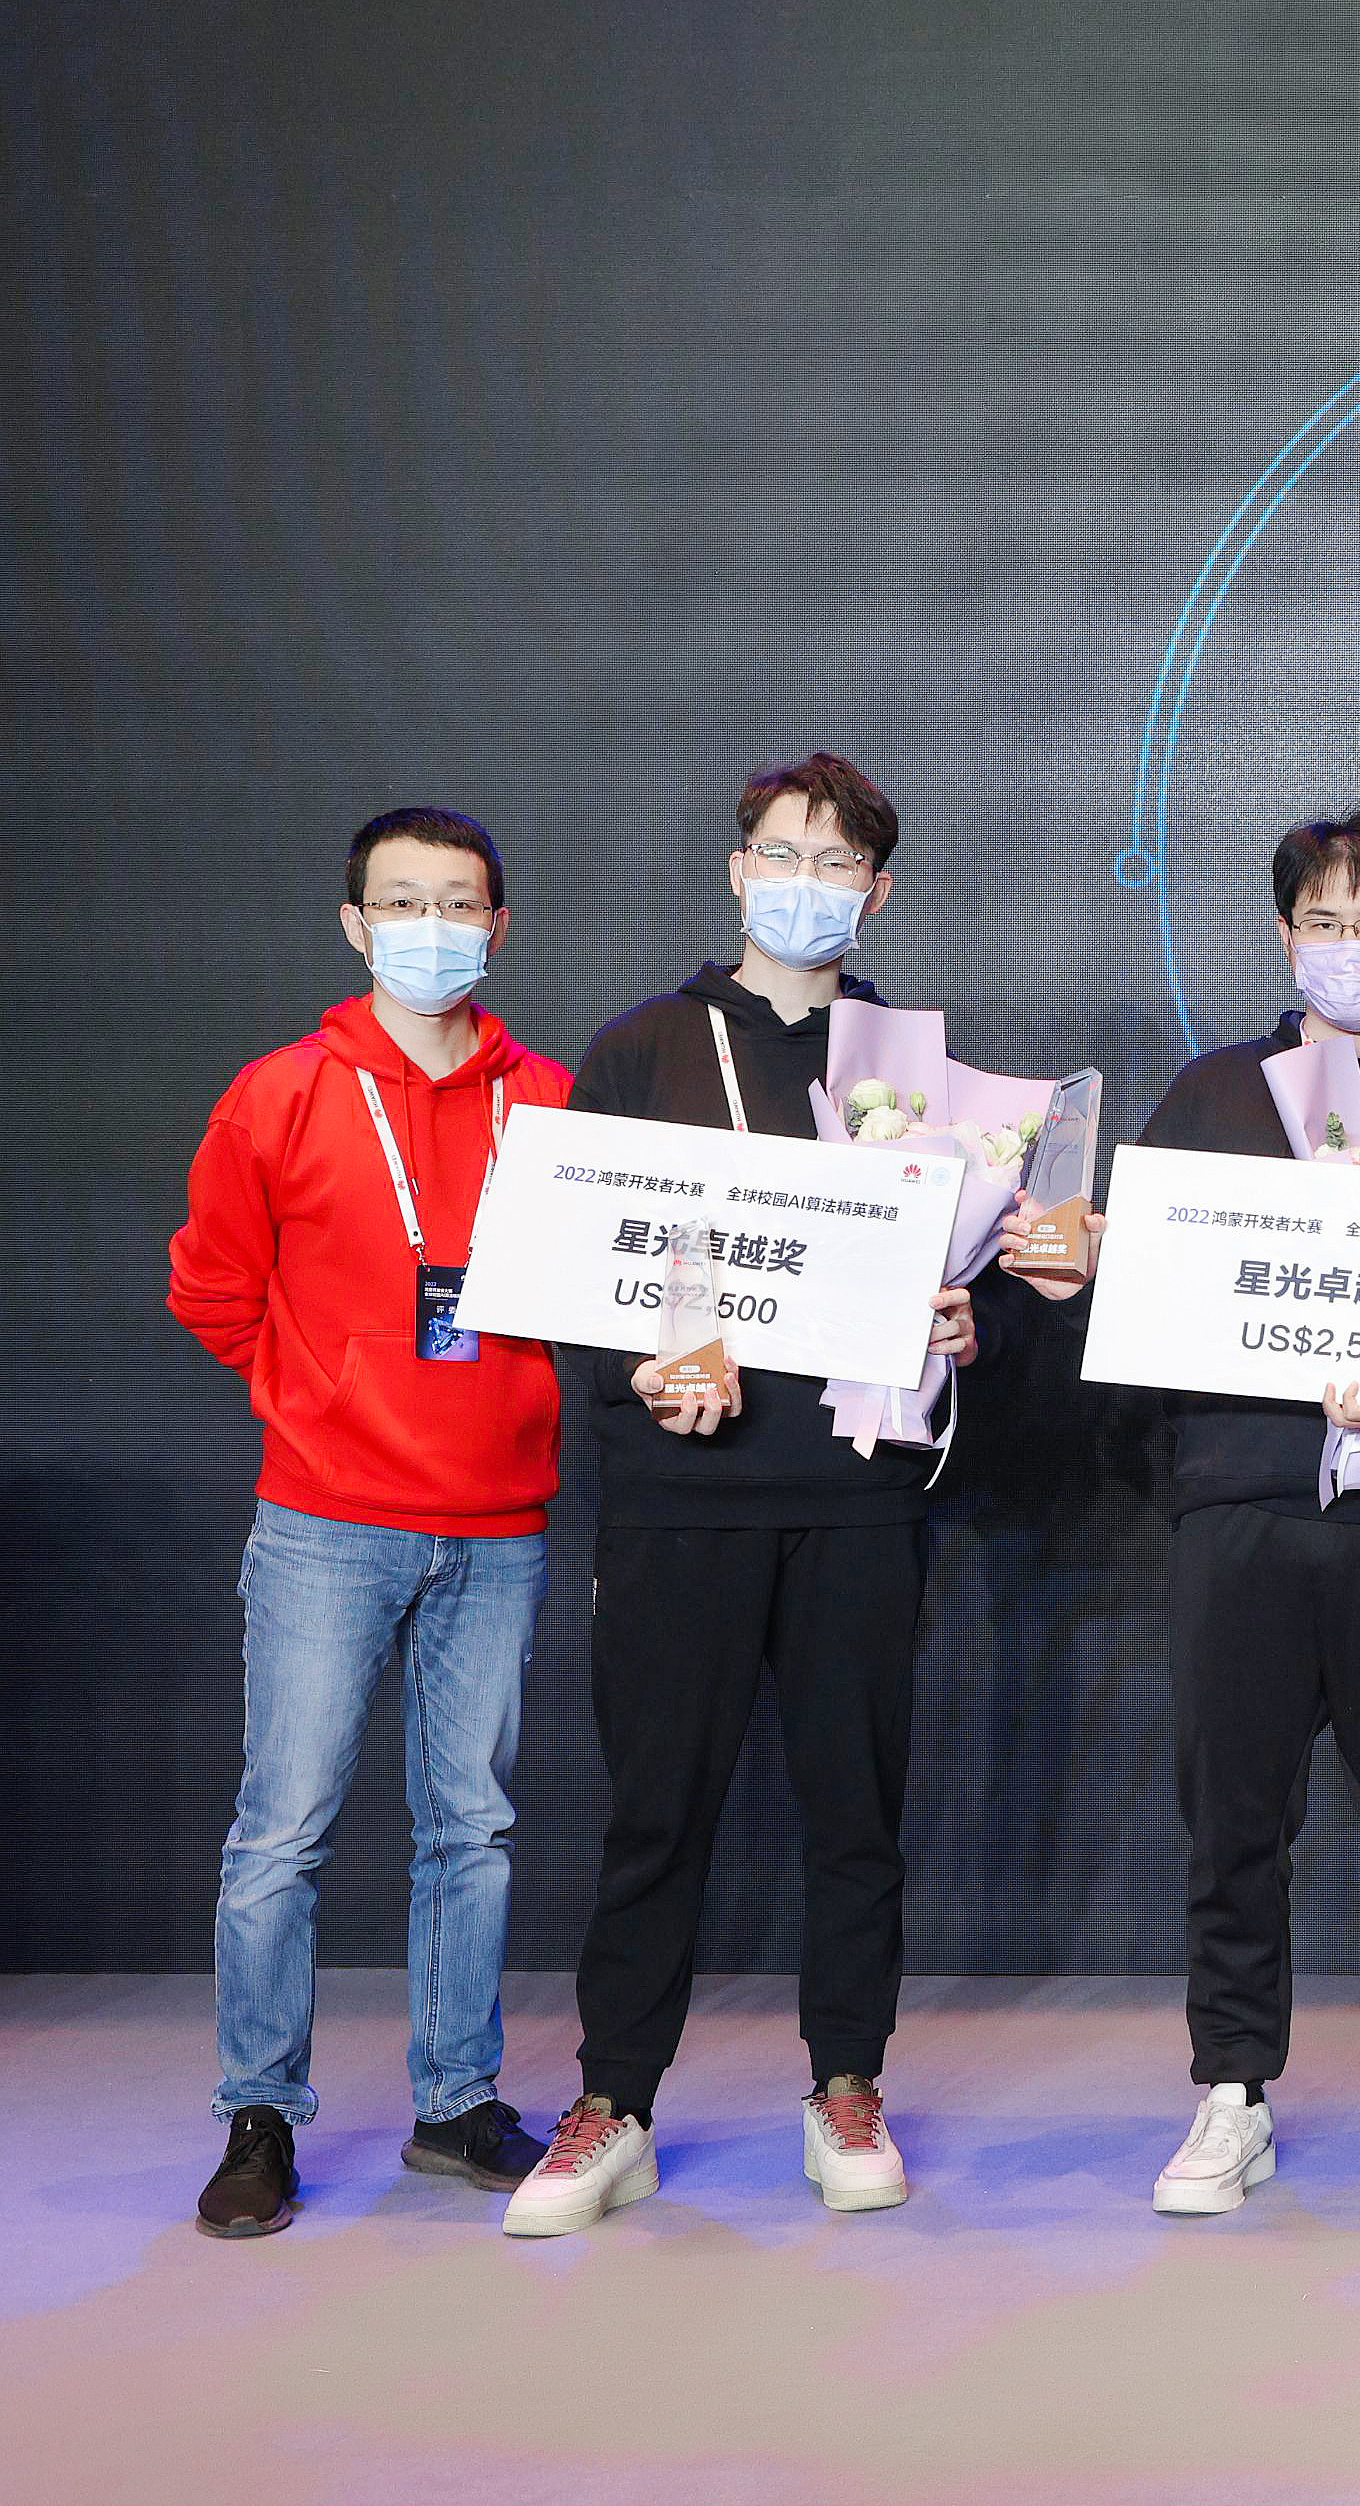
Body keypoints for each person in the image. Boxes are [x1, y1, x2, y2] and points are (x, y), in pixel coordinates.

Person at [1021, 810, 1360, 2221]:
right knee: (1233, 1819)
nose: (1351, 949)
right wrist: (1085, 1277)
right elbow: (1143, 1308)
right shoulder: (1212, 1097)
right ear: (1284, 939)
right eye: (1325, 923)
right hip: (1243, 1507)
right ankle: (1231, 2090)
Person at [503, 754, 986, 2237]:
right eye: (782, 854)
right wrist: (642, 1368)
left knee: (856, 1810)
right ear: (737, 870)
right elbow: (576, 1268)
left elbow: (961, 1268)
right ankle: (616, 2100)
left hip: (854, 1495)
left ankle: (846, 2083)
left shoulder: (915, 1069)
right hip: (680, 1494)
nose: (805, 884)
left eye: (837, 864)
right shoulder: (642, 1048)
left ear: (875, 893)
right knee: (658, 1812)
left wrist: (966, 1323)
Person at [168, 809, 574, 2236]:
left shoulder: (554, 1104)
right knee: (282, 1832)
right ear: (354, 926)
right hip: (325, 1521)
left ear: (498, 927)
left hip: (499, 1520)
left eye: (458, 903)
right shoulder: (279, 1094)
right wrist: (321, 1400)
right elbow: (212, 1289)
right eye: (402, 902)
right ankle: (259, 2117)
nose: (431, 928)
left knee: (473, 1828)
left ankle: (456, 2100)